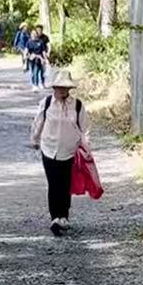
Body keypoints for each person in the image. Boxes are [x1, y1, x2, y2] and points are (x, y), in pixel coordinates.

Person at [29, 70, 90, 236]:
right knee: (53, 183)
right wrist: (34, 139)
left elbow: (84, 129)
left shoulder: (77, 105)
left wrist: (87, 147)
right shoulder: (47, 103)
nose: (62, 91)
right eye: (59, 87)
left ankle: (64, 216)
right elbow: (38, 122)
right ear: (54, 87)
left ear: (69, 89)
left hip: (69, 150)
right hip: (48, 148)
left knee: (65, 183)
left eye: (65, 88)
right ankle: (55, 217)